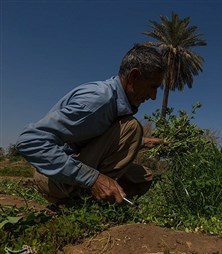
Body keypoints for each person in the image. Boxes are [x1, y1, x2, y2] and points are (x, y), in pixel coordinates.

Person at [16, 44, 167, 205]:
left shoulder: (115, 104)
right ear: (133, 76)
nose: (153, 96)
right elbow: (29, 141)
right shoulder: (99, 101)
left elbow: (94, 136)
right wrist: (93, 179)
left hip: (70, 171)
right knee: (132, 128)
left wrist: (146, 142)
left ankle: (89, 196)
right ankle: (87, 202)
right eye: (153, 87)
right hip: (51, 178)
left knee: (143, 177)